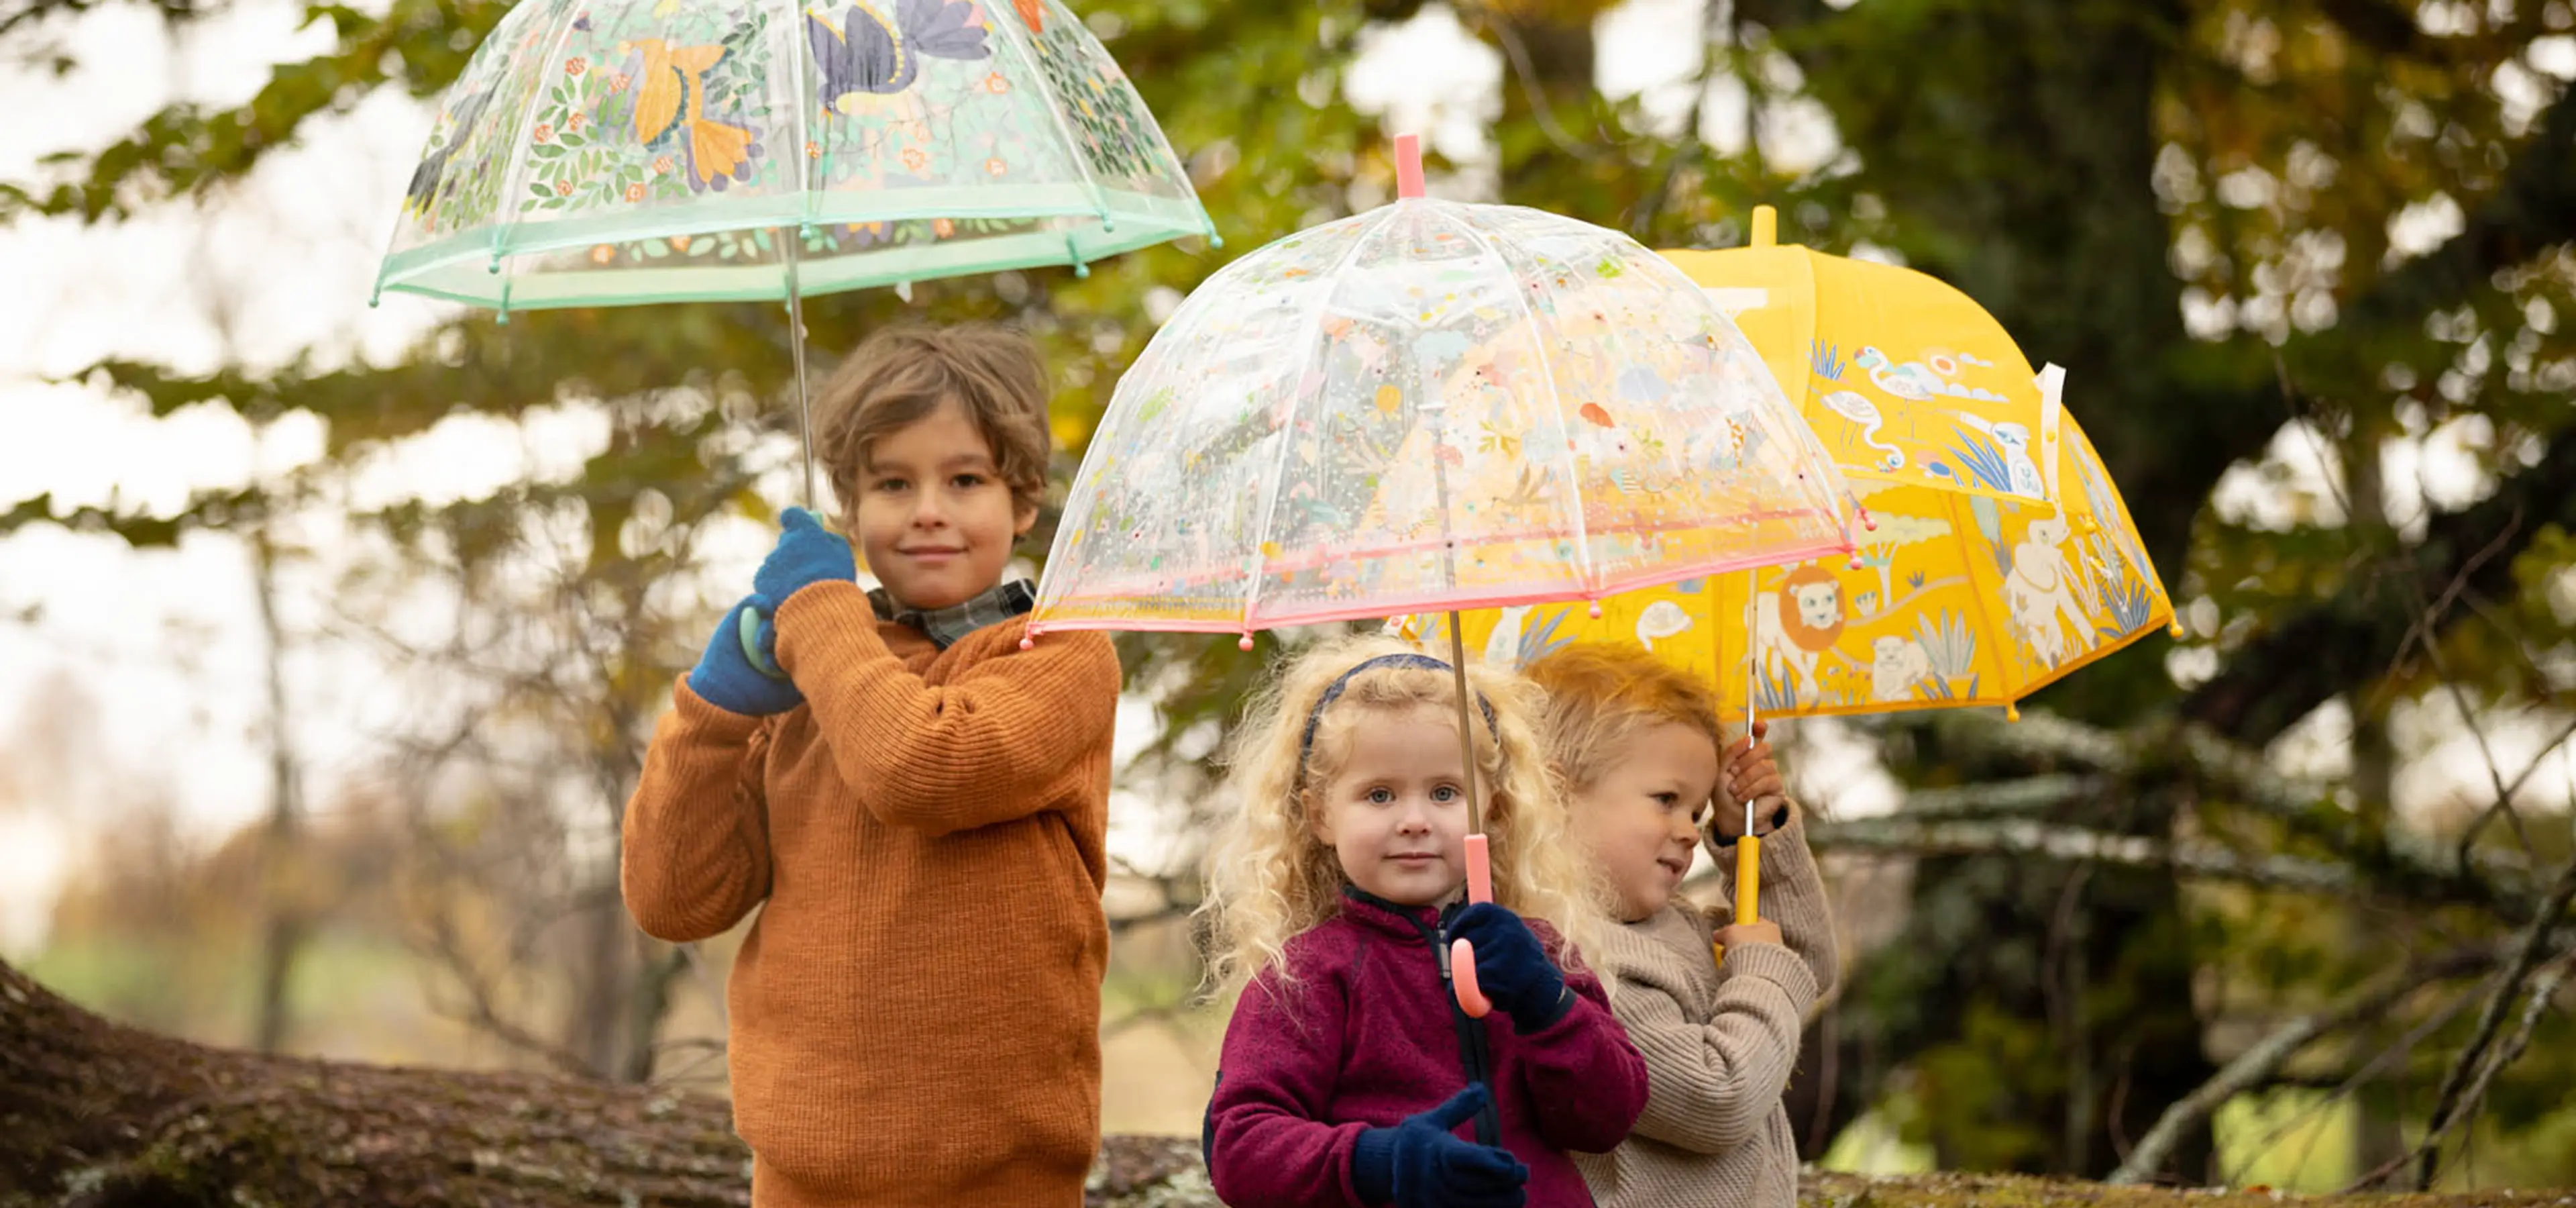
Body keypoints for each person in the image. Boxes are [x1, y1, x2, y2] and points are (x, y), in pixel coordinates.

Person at [620, 323, 1122, 1206]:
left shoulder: (1062, 656)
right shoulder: (813, 674)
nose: (928, 508)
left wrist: (819, 613)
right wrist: (715, 709)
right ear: (850, 512)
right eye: (893, 483)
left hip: (1001, 1180)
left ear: (1026, 499)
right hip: (806, 1175)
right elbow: (675, 899)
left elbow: (924, 769)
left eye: (964, 479)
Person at [1198, 635, 1648, 1208]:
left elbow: (1608, 1120)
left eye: (1444, 792)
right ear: (1320, 816)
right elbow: (1240, 1148)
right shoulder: (1306, 974)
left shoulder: (1535, 953)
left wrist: (1546, 1004)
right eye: (1379, 795)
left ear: (1495, 810)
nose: (1414, 820)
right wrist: (1379, 1162)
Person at [1525, 644, 1838, 1208]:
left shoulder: (1673, 926)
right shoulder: (1569, 965)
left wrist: (1752, 828)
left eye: (1697, 812)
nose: (1692, 832)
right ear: (1554, 795)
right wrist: (1762, 966)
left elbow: (1798, 964)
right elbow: (1718, 1098)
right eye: (1666, 800)